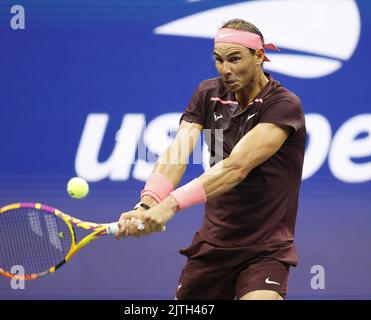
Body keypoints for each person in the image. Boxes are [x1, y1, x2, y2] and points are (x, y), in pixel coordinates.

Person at [115, 18, 306, 300]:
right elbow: (180, 150)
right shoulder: (208, 95)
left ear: (259, 56)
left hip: (265, 249)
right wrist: (147, 202)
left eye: (234, 59)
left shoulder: (283, 105)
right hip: (212, 247)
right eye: (218, 60)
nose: (225, 70)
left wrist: (170, 205)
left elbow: (236, 168)